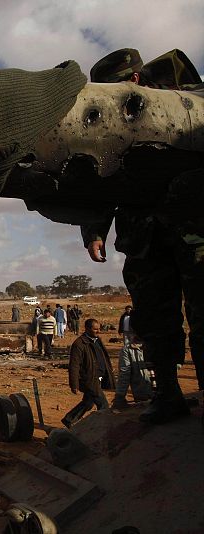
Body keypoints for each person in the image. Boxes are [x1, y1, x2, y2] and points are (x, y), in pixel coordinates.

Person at [83, 47, 202, 425]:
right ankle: (167, 393)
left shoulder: (184, 105)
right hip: (143, 236)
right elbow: (99, 172)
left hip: (192, 228)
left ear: (134, 81)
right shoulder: (112, 123)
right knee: (153, 319)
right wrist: (94, 231)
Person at [62, 319, 115, 427]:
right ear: (87, 329)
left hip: (99, 377)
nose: (98, 331)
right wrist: (74, 384)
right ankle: (102, 427)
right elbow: (74, 365)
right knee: (103, 404)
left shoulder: (97, 340)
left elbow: (103, 357)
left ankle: (69, 419)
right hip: (89, 379)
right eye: (95, 329)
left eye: (99, 328)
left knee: (88, 403)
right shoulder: (79, 344)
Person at [112, 335, 153, 409]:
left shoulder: (157, 345)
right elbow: (124, 374)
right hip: (142, 393)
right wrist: (120, 396)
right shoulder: (128, 349)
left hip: (160, 392)